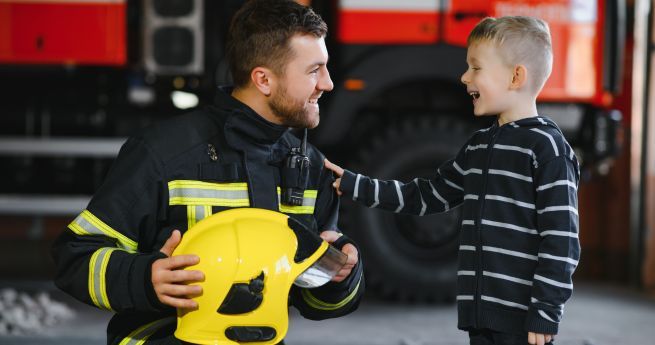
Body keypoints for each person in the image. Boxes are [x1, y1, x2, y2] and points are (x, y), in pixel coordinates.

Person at [51, 0, 364, 344]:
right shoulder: (163, 154)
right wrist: (144, 279)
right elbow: (74, 259)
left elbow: (313, 301)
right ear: (263, 79)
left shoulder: (311, 168)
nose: (329, 83)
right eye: (314, 70)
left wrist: (340, 275)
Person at [325, 16, 579, 345]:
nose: (464, 77)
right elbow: (425, 196)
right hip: (479, 315)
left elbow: (562, 240)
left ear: (516, 76)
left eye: (476, 68)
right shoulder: (478, 146)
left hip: (523, 319)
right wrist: (355, 184)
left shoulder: (548, 149)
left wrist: (545, 310)